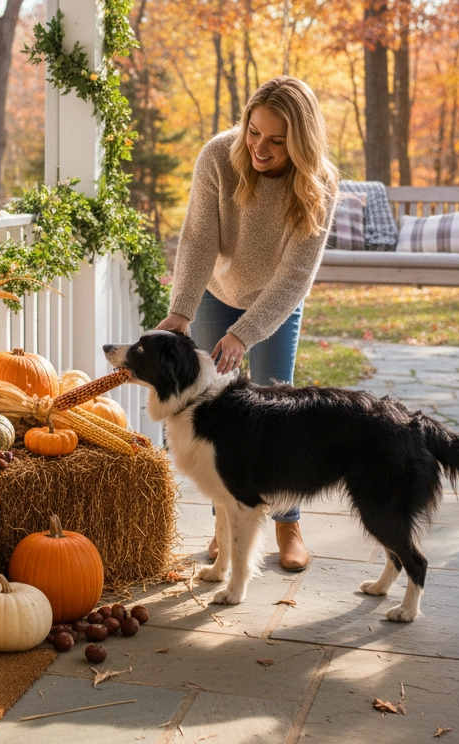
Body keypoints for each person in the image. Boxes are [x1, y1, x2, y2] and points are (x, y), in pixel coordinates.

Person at [157, 76, 337, 571]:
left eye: (277, 140)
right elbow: (198, 239)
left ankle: (287, 524)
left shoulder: (319, 181)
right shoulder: (219, 156)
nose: (260, 147)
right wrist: (182, 309)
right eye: (254, 132)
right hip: (217, 293)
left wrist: (245, 333)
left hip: (276, 300)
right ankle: (225, 524)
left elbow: (296, 275)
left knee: (278, 411)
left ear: (301, 141)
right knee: (216, 413)